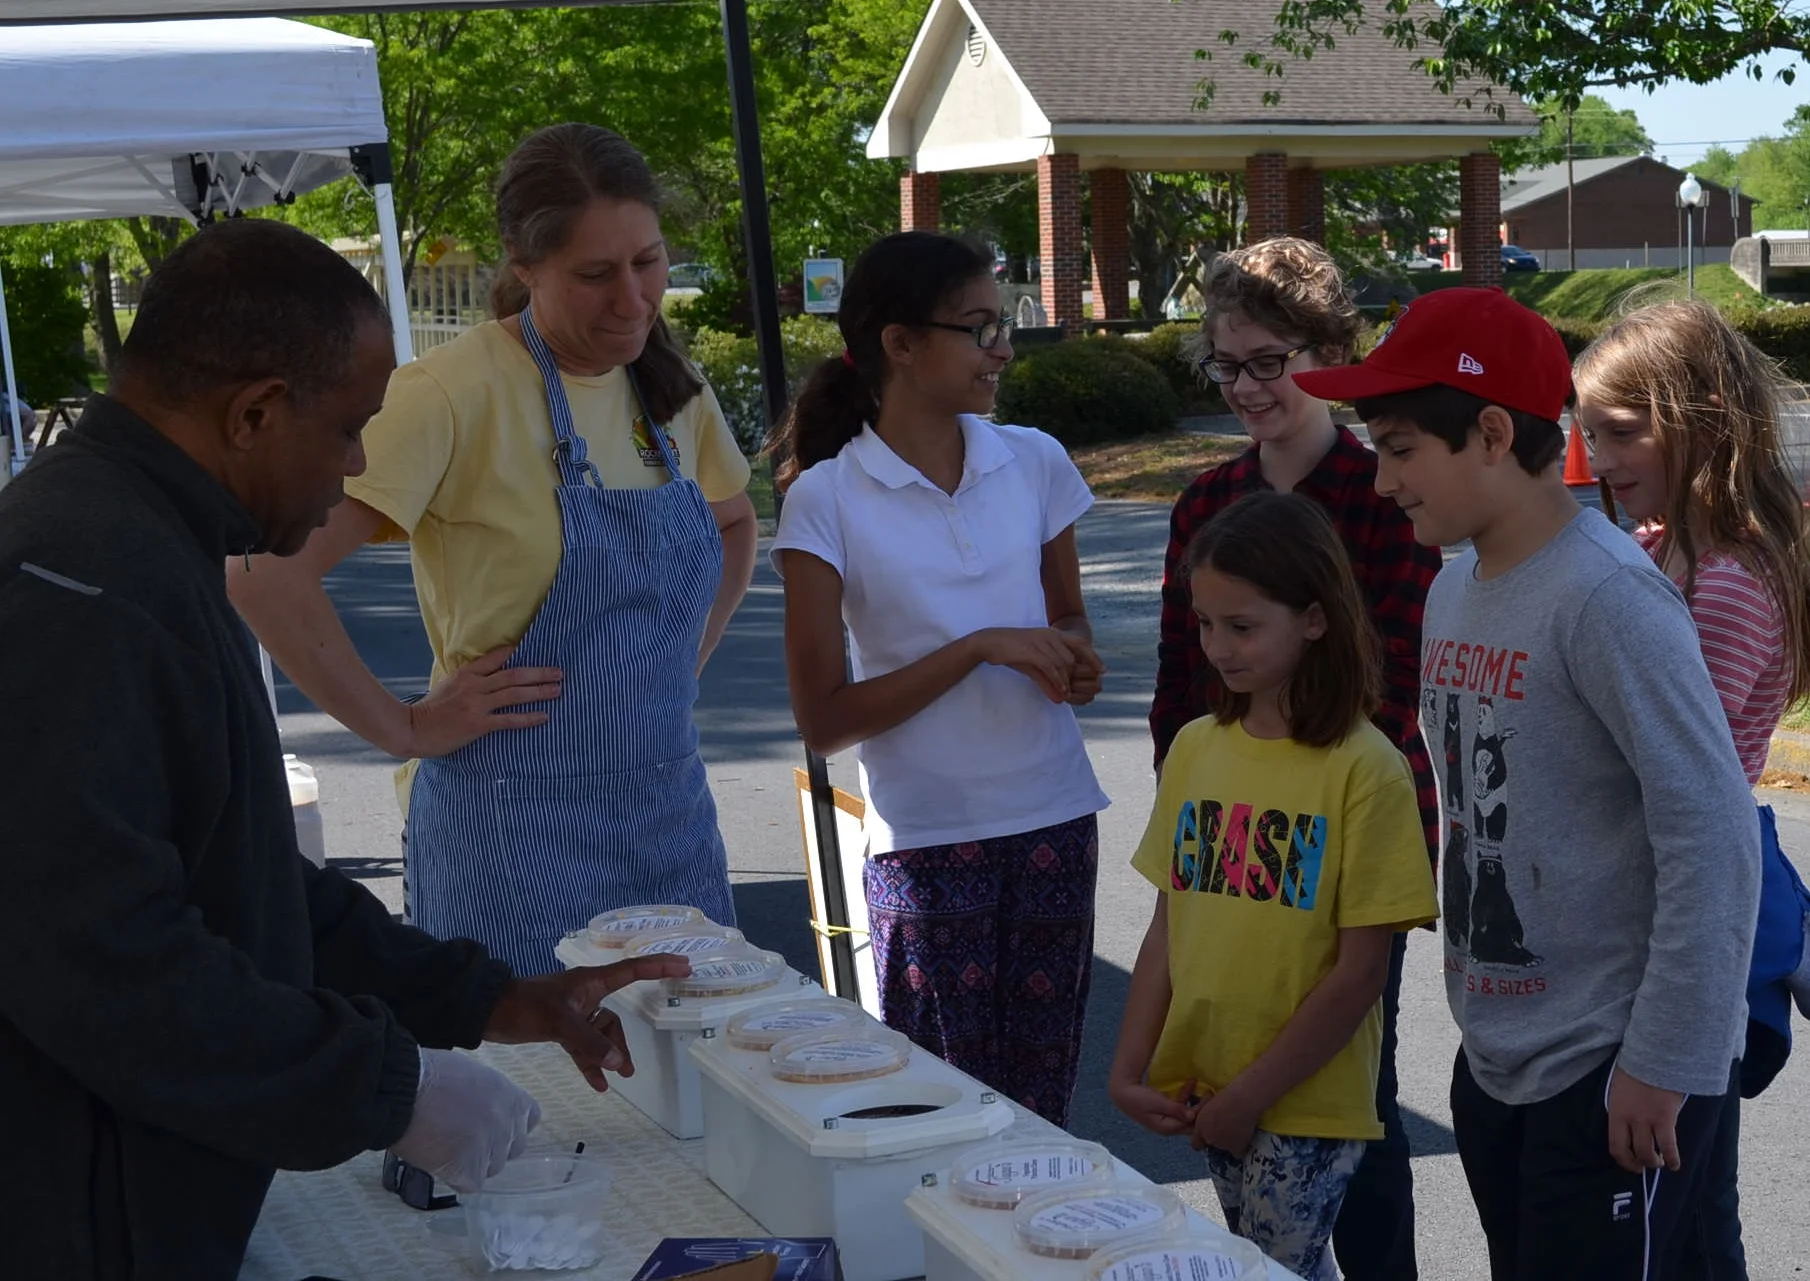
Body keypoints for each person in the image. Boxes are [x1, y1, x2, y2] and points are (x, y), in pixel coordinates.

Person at [0, 218, 688, 1280]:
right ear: (255, 412)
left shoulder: (144, 542)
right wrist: (387, 1090)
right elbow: (101, 956)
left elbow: (240, 875)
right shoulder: (82, 587)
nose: (360, 465)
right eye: (348, 429)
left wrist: (488, 998)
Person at [1295, 287, 1761, 1280]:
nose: (1381, 482)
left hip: (1610, 1066)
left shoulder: (1607, 599)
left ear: (1494, 432)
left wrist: (1661, 1064)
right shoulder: (1455, 587)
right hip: (1501, 1055)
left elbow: (1713, 839)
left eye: (1400, 448)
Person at [229, 124, 758, 975]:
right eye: (595, 275)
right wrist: (401, 725)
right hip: (509, 831)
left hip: (671, 815)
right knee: (536, 1096)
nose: (632, 300)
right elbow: (258, 568)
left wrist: (683, 661)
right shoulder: (447, 393)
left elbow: (735, 523)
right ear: (522, 262)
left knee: (695, 1086)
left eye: (648, 262)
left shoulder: (666, 387)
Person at [1150, 236, 1441, 1281]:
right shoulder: (1202, 504)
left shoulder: (1385, 495)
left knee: (1351, 1099)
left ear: (1327, 351)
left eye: (1269, 361)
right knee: (1237, 1079)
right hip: (1232, 846)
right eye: (1225, 365)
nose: (1245, 387)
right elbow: (1179, 697)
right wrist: (1188, 835)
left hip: (1355, 850)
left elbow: (1405, 696)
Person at [770, 231, 1108, 1126]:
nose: (1001, 347)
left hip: (1055, 820)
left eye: (1003, 324)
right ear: (900, 343)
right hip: (925, 841)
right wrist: (977, 647)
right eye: (978, 327)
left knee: (1039, 1115)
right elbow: (824, 718)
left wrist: (1069, 658)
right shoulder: (825, 499)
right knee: (939, 1115)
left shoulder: (1034, 459)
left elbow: (1069, 619)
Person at [1111, 490, 1437, 1281]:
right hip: (1207, 1086)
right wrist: (1128, 1069)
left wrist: (1252, 1094)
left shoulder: (1365, 767)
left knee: (1259, 1268)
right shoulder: (1194, 747)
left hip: (1306, 1099)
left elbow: (1361, 972)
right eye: (1206, 623)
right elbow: (1168, 924)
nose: (1218, 645)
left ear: (1316, 618)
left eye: (1243, 625)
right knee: (1267, 1267)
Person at [1574, 300, 1810, 1280]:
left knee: (1677, 1216)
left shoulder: (1724, 577)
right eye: (1585, 432)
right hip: (1677, 892)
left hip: (1682, 907)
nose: (1596, 456)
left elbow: (1679, 767)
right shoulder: (1667, 545)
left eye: (1620, 432)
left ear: (1701, 418)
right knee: (1695, 1212)